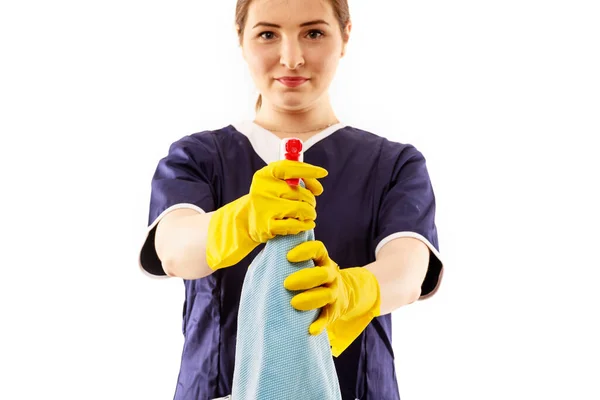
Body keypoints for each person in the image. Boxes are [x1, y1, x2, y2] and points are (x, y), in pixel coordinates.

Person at [138, 0, 444, 398]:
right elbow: (175, 249)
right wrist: (243, 220)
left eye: (313, 33)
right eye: (268, 34)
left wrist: (353, 291)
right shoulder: (197, 159)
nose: (291, 57)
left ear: (345, 35)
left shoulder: (393, 165)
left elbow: (408, 270)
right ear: (240, 38)